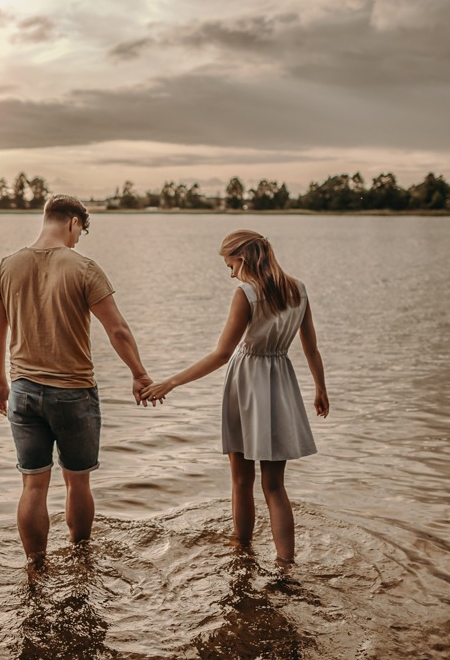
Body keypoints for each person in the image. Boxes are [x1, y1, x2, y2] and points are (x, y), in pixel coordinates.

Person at [141, 230, 329, 564]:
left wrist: (171, 382)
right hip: (281, 381)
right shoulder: (298, 289)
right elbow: (310, 346)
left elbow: (221, 354)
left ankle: (242, 551)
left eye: (231, 266)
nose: (231, 274)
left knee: (242, 481)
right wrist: (320, 388)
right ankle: (286, 562)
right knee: (275, 486)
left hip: (246, 382)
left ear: (243, 259)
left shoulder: (246, 294)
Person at [0, 194, 153, 564]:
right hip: (73, 392)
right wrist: (139, 374)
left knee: (33, 484)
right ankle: (81, 560)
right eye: (81, 232)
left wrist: (0, 383)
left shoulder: (6, 266)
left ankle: (35, 565)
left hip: (23, 390)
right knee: (77, 481)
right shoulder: (83, 268)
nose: (78, 240)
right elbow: (118, 331)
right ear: (74, 223)